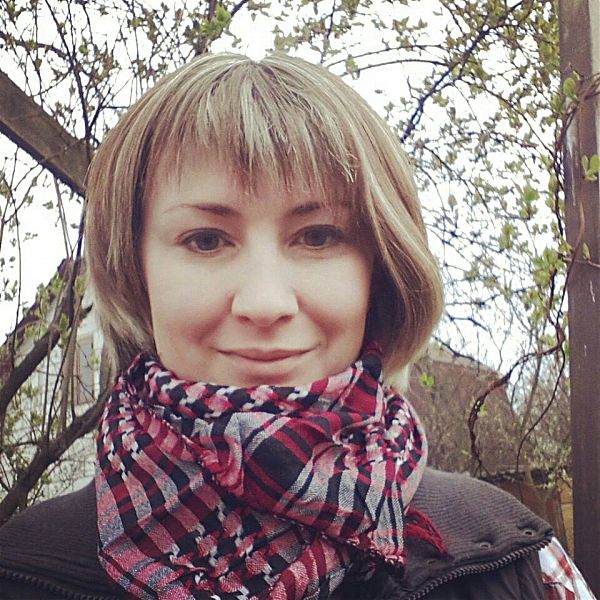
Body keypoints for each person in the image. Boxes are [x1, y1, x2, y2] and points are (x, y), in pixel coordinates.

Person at [0, 53, 594, 600]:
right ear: (136, 270)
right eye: (206, 240)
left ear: (381, 268)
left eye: (317, 236)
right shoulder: (21, 571)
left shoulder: (512, 563)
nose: (265, 302)